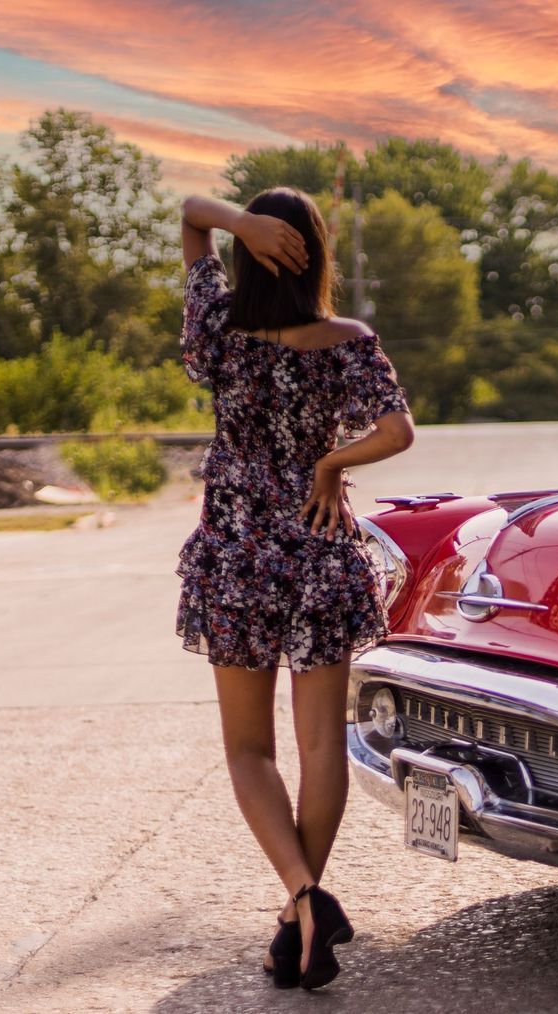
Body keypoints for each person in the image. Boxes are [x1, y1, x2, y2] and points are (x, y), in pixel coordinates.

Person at [174, 188, 414, 990]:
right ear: (316, 257)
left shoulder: (217, 331)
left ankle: (302, 902)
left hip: (237, 556)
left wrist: (236, 222)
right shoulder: (347, 341)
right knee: (319, 747)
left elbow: (190, 214)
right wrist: (331, 462)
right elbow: (397, 431)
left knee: (248, 750)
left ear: (250, 257)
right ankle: (303, 912)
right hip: (318, 550)